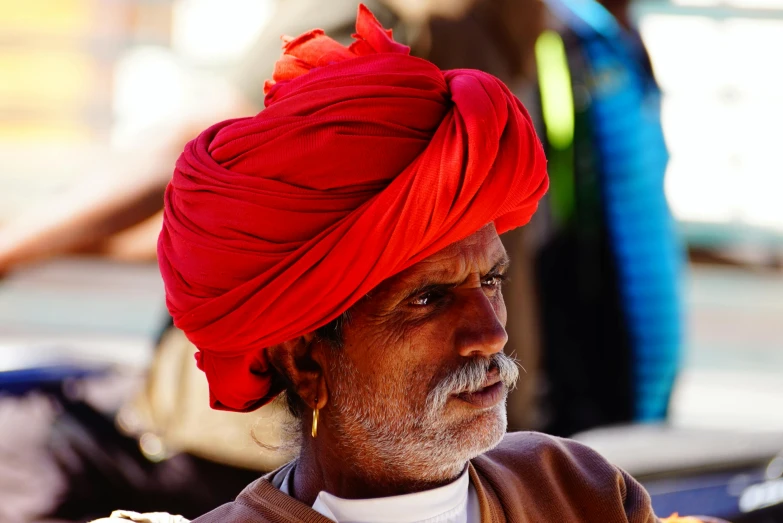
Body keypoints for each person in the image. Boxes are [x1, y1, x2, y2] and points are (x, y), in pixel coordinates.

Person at [91, 5, 718, 522]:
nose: (492, 332)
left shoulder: (576, 491)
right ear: (306, 360)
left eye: (491, 281)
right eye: (428, 299)